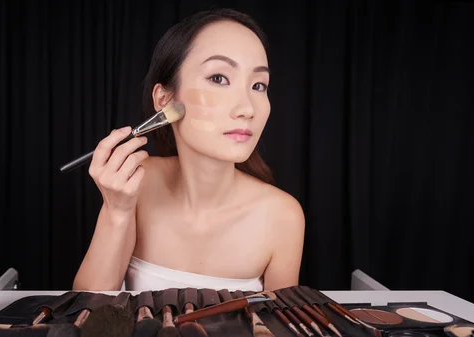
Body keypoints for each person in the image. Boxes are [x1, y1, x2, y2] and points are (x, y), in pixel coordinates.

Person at [73, 8, 305, 292]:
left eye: (259, 85)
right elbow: (86, 311)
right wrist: (117, 210)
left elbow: (280, 325)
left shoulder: (282, 216)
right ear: (164, 99)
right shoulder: (136, 182)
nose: (248, 109)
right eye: (219, 78)